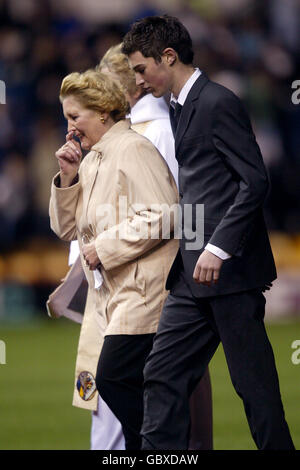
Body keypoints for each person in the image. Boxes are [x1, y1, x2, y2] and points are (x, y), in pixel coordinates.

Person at [122, 15, 295, 450]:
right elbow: (202, 189)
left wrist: (218, 248)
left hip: (229, 275)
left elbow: (254, 180)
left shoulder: (218, 101)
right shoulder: (180, 107)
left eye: (141, 69)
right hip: (191, 278)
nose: (139, 81)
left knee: (254, 389)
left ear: (168, 56)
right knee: (161, 374)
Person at [49, 69, 179, 450]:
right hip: (113, 297)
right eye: (66, 118)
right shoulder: (92, 160)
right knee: (119, 384)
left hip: (143, 293)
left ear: (104, 112)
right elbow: (66, 229)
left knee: (112, 377)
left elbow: (167, 214)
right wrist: (67, 177)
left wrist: (103, 248)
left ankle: (163, 448)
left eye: (75, 117)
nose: (70, 128)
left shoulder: (134, 149)